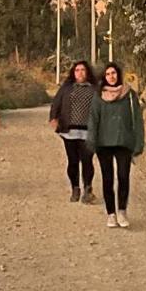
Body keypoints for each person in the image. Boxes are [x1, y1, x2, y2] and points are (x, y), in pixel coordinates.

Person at [87, 61, 144, 229]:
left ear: (118, 74)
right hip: (104, 143)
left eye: (113, 73)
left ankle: (122, 211)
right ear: (104, 77)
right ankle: (111, 214)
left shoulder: (129, 95)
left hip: (124, 142)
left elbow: (137, 120)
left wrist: (138, 142)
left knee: (123, 177)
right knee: (107, 179)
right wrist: (92, 140)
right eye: (108, 74)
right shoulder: (99, 96)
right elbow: (93, 119)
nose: (111, 77)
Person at [49, 60, 97, 203]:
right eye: (77, 70)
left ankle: (88, 189)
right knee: (73, 161)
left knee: (87, 160)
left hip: (89, 131)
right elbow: (56, 102)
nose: (80, 73)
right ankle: (75, 188)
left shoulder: (95, 88)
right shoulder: (67, 88)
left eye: (83, 70)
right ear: (73, 73)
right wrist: (53, 118)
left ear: (87, 72)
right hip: (69, 131)